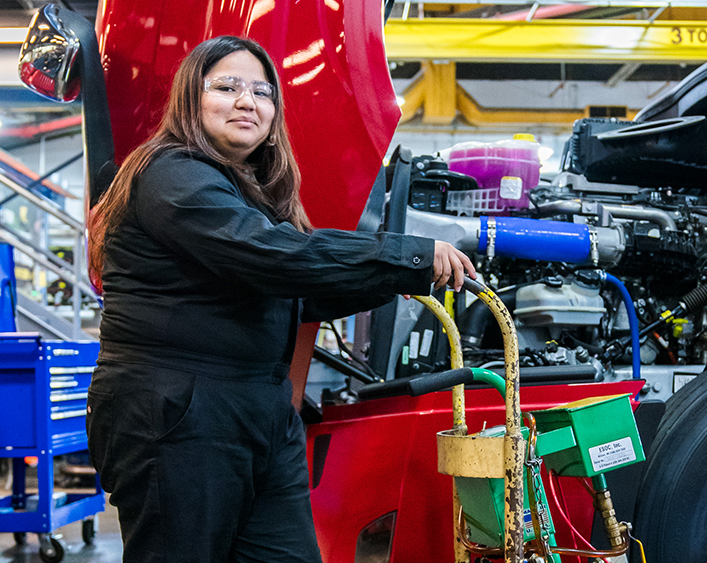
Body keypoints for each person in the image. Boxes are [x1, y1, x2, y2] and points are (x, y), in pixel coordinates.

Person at [85, 35, 475, 563]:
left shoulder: (248, 190)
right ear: (189, 100)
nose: (248, 101)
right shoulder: (170, 173)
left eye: (262, 92)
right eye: (226, 86)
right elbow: (274, 257)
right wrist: (404, 255)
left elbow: (295, 292)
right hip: (177, 412)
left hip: (257, 409)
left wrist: (412, 274)